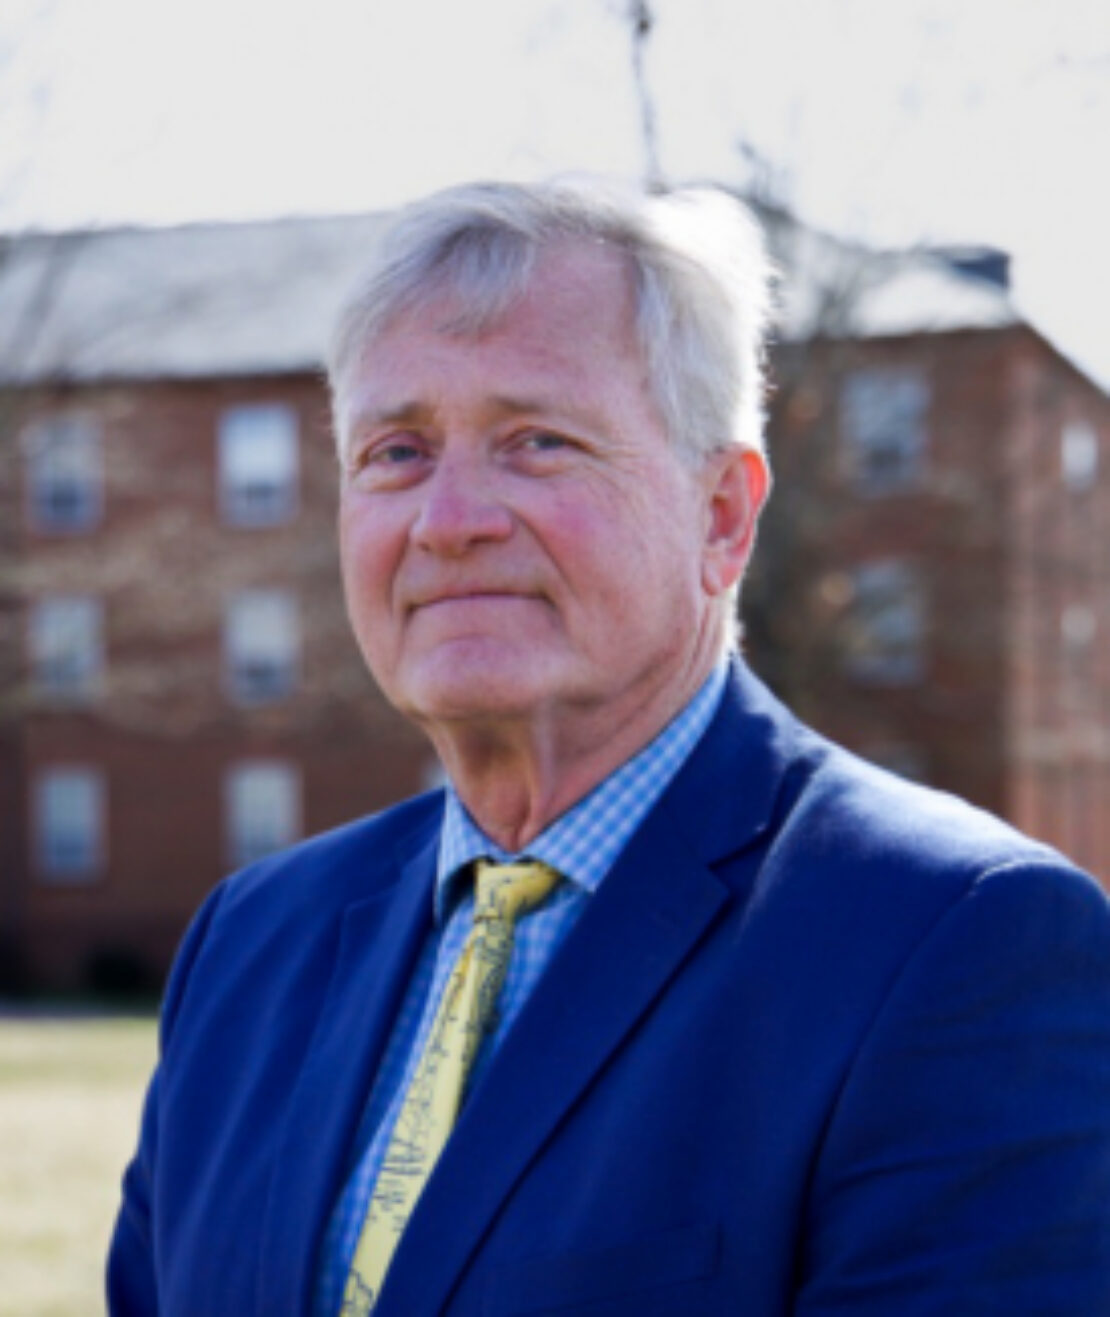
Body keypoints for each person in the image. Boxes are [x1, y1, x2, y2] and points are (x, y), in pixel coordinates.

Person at [108, 179, 1110, 1316]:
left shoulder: (955, 943)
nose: (449, 519)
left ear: (722, 515)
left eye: (537, 441)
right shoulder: (249, 945)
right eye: (397, 452)